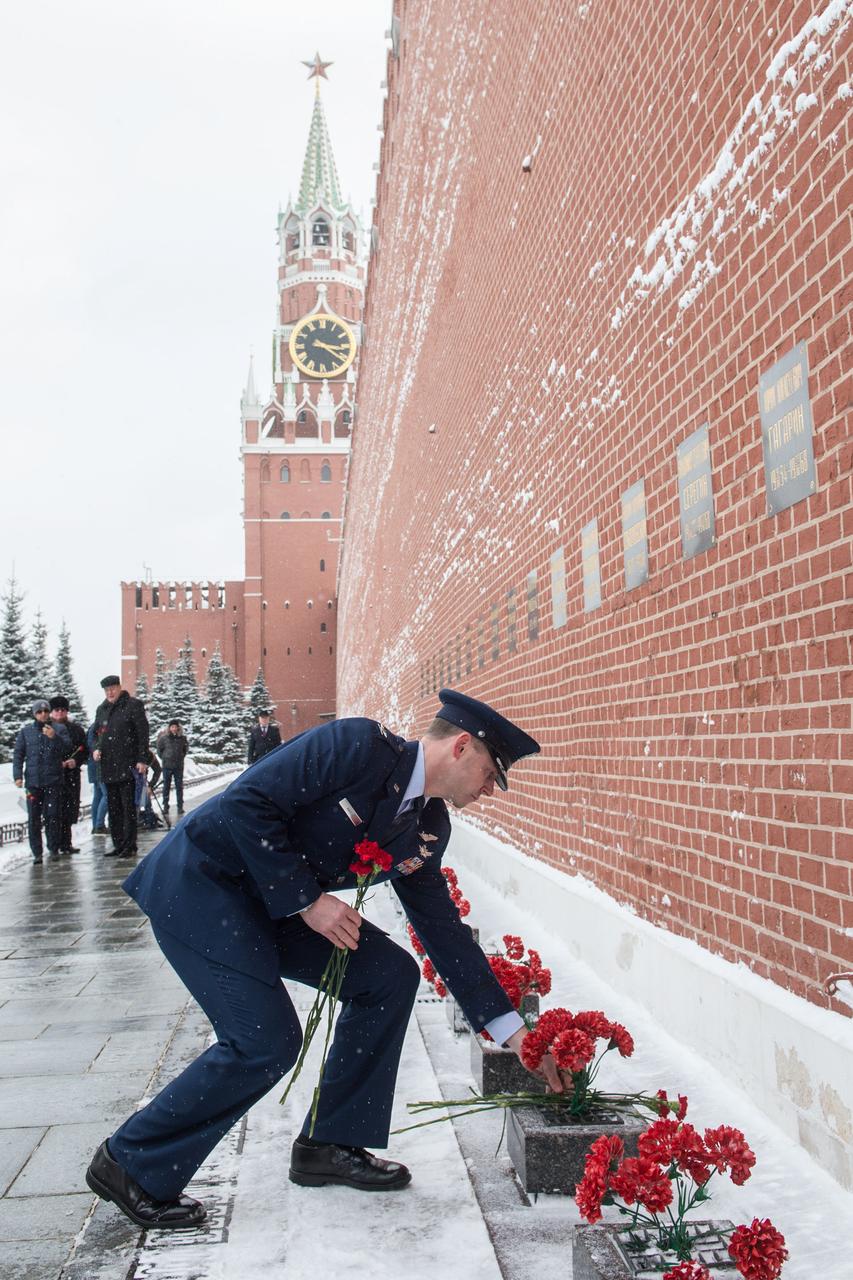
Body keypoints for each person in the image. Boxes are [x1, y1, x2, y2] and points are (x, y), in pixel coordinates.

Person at [85, 688, 560, 1229]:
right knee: (265, 1042)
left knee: (389, 975)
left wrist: (512, 1030)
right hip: (205, 886)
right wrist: (309, 900)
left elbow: (443, 932)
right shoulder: (358, 747)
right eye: (491, 775)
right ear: (461, 747)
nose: (489, 791)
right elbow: (247, 802)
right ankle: (129, 1161)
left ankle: (331, 1143)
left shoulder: (428, 827)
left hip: (272, 907)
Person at [92, 676, 150, 859]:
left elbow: (143, 733)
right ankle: (118, 844)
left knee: (127, 808)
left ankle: (129, 845)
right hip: (108, 766)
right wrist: (95, 749)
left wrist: (142, 759)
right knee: (114, 807)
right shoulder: (102, 710)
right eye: (107, 690)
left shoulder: (133, 705)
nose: (110, 692)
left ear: (119, 687)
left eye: (113, 688)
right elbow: (95, 735)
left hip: (128, 765)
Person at [12, 700, 70, 862]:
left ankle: (53, 848)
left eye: (45, 711)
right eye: (39, 711)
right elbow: (18, 755)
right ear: (34, 714)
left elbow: (66, 749)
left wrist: (54, 738)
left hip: (53, 781)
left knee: (53, 816)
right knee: (34, 818)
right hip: (33, 782)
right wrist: (17, 775)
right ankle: (37, 852)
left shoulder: (59, 729)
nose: (43, 714)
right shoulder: (26, 732)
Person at [50, 696, 88, 854]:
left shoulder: (76, 729)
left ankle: (66, 842)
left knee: (69, 809)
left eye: (63, 710)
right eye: (56, 710)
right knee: (54, 810)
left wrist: (75, 760)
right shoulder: (46, 728)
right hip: (52, 776)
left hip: (71, 774)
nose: (60, 712)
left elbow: (84, 749)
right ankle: (54, 844)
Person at [155, 720, 188, 815]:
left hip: (178, 766)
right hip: (167, 766)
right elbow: (159, 750)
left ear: (178, 728)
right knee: (166, 786)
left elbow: (185, 750)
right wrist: (165, 758)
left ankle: (180, 806)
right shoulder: (164, 738)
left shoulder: (182, 739)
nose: (173, 728)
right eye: (172, 727)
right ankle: (165, 806)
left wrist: (180, 757)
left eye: (175, 727)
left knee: (179, 787)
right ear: (169, 728)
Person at [86, 720, 109, 835]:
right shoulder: (98, 726)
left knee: (99, 795)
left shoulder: (95, 726)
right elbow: (93, 744)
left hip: (95, 765)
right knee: (107, 795)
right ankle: (99, 825)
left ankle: (96, 825)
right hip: (100, 765)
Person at [135, 749, 163, 831]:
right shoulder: (132, 754)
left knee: (145, 801)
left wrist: (151, 785)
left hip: (142, 781)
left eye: (147, 766)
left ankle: (149, 820)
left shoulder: (151, 756)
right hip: (132, 781)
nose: (145, 768)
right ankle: (137, 820)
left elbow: (158, 770)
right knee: (136, 803)